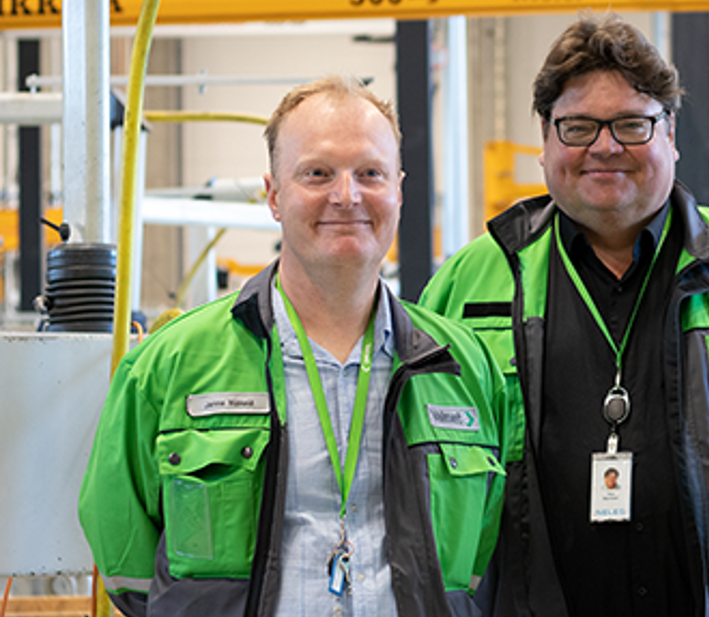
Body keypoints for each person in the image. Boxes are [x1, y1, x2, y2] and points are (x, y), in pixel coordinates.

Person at [420, 14, 709, 617]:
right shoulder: (468, 288)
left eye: (632, 124)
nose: (605, 146)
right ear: (545, 141)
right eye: (577, 127)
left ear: (670, 134)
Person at [79, 76, 508, 617]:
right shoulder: (172, 363)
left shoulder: (465, 369)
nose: (346, 195)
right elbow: (124, 551)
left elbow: (479, 558)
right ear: (274, 196)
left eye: (370, 173)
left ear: (398, 189)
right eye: (317, 174)